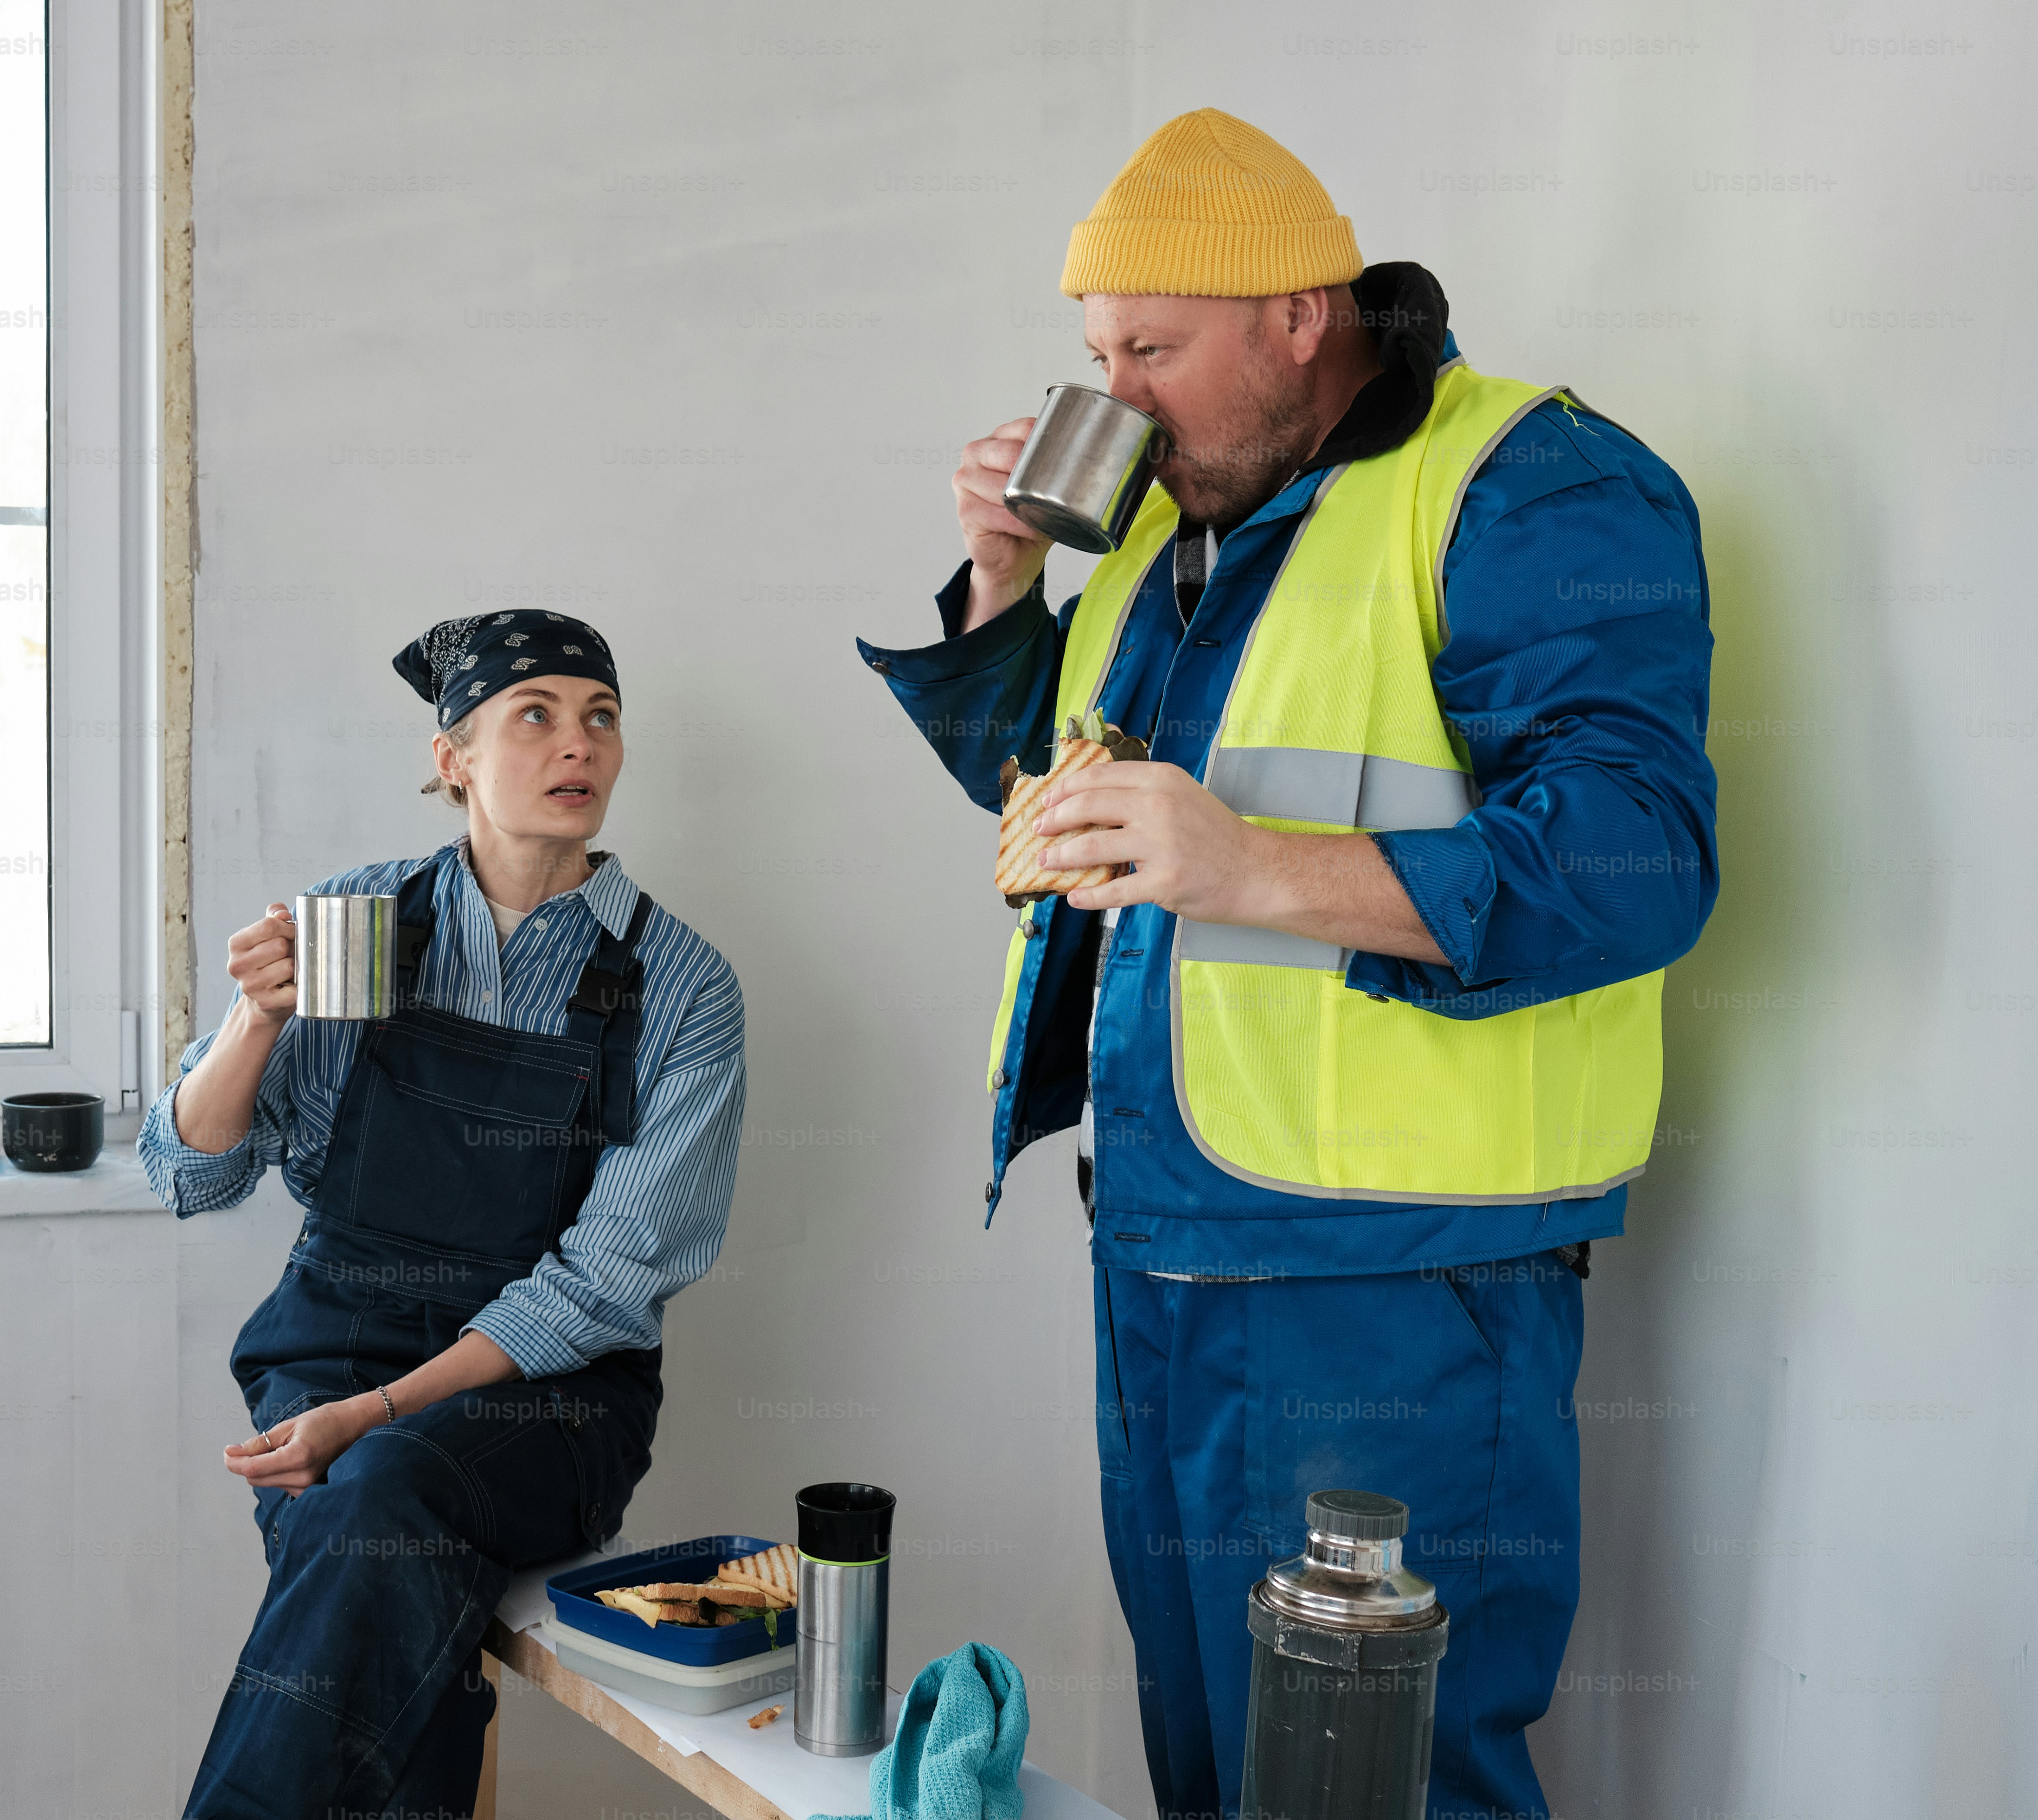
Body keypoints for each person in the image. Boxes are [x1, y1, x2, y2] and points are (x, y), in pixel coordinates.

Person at [857, 110, 1716, 1820]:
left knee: (1378, 1782)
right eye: (1098, 354)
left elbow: (1638, 862)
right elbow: (1062, 788)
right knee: (1220, 1766)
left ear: (1303, 318)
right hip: (1169, 1238)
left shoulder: (1525, 483)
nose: (1118, 394)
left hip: (1392, 1279)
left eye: (1154, 351)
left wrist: (1250, 863)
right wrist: (1002, 587)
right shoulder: (1181, 521)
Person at [140, 613, 747, 1820]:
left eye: (601, 717)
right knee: (397, 1623)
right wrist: (255, 1022)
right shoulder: (356, 922)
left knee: (372, 1508)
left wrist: (366, 1419)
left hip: (552, 1396)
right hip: (330, 1341)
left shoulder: (681, 986)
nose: (578, 745)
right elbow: (188, 1176)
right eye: (536, 714)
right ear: (453, 757)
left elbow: (598, 1288)